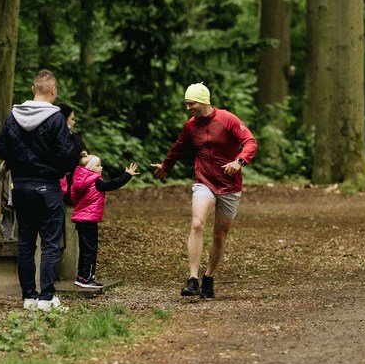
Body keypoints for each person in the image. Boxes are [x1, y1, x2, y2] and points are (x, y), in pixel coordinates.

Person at [151, 82, 257, 300]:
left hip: (229, 185)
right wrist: (165, 167)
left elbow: (250, 142)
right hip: (204, 181)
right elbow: (178, 148)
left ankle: (209, 277)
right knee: (197, 224)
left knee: (220, 235)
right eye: (186, 103)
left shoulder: (227, 119)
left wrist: (239, 161)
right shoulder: (191, 126)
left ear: (203, 101)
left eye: (192, 103)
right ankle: (192, 279)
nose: (188, 108)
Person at [0, 69, 84, 312]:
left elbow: (0, 148)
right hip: (47, 186)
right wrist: (57, 166)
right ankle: (46, 297)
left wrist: (18, 159)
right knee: (50, 243)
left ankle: (29, 298)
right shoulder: (56, 119)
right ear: (53, 90)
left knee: (25, 242)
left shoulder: (12, 117)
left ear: (33, 89)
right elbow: (67, 157)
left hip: (21, 186)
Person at [70, 154, 139, 288]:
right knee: (90, 250)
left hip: (81, 219)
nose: (101, 168)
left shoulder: (79, 180)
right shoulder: (95, 181)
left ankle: (83, 276)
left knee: (85, 249)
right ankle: (85, 279)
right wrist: (127, 175)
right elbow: (112, 184)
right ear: (90, 168)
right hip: (89, 220)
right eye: (98, 165)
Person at [57, 102, 88, 203]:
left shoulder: (43, 137)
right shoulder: (74, 139)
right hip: (70, 190)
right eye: (72, 119)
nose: (74, 122)